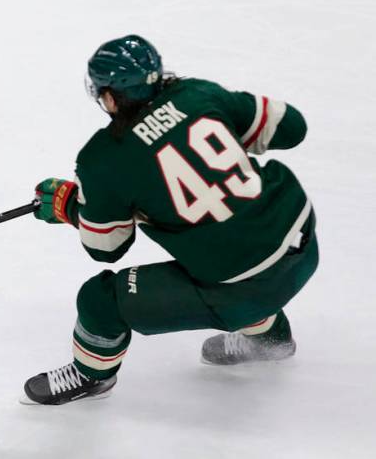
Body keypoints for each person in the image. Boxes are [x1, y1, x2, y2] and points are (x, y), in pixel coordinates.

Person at [22, 34, 318, 405]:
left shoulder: (104, 160)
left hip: (244, 284)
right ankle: (270, 338)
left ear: (110, 96)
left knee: (101, 300)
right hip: (301, 240)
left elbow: (106, 247)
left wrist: (70, 207)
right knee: (230, 248)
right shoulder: (198, 94)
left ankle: (90, 377)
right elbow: (292, 128)